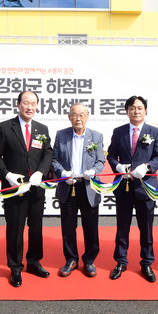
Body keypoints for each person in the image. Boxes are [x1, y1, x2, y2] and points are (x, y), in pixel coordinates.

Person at [0, 90, 53, 288]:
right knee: (15, 229)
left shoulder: (42, 129)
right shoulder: (5, 127)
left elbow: (48, 153)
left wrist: (41, 172)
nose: (29, 107)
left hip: (36, 188)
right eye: (26, 103)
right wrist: (7, 175)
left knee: (36, 228)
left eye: (33, 103)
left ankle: (34, 262)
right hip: (14, 188)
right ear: (18, 104)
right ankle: (15, 267)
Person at [107, 95, 158, 282]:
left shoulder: (155, 132)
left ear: (145, 111)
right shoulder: (119, 132)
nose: (136, 111)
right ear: (127, 111)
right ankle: (120, 262)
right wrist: (117, 166)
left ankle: (147, 263)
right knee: (122, 228)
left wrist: (147, 167)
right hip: (123, 187)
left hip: (146, 187)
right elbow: (111, 155)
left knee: (146, 229)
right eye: (132, 108)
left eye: (140, 108)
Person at [51, 103, 106, 278]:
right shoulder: (61, 135)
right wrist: (63, 173)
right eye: (74, 114)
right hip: (68, 185)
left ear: (87, 116)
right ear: (69, 117)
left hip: (88, 187)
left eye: (82, 114)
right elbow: (54, 160)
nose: (78, 118)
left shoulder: (96, 136)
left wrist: (94, 171)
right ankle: (71, 259)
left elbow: (101, 161)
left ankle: (89, 260)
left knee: (91, 227)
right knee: (68, 227)